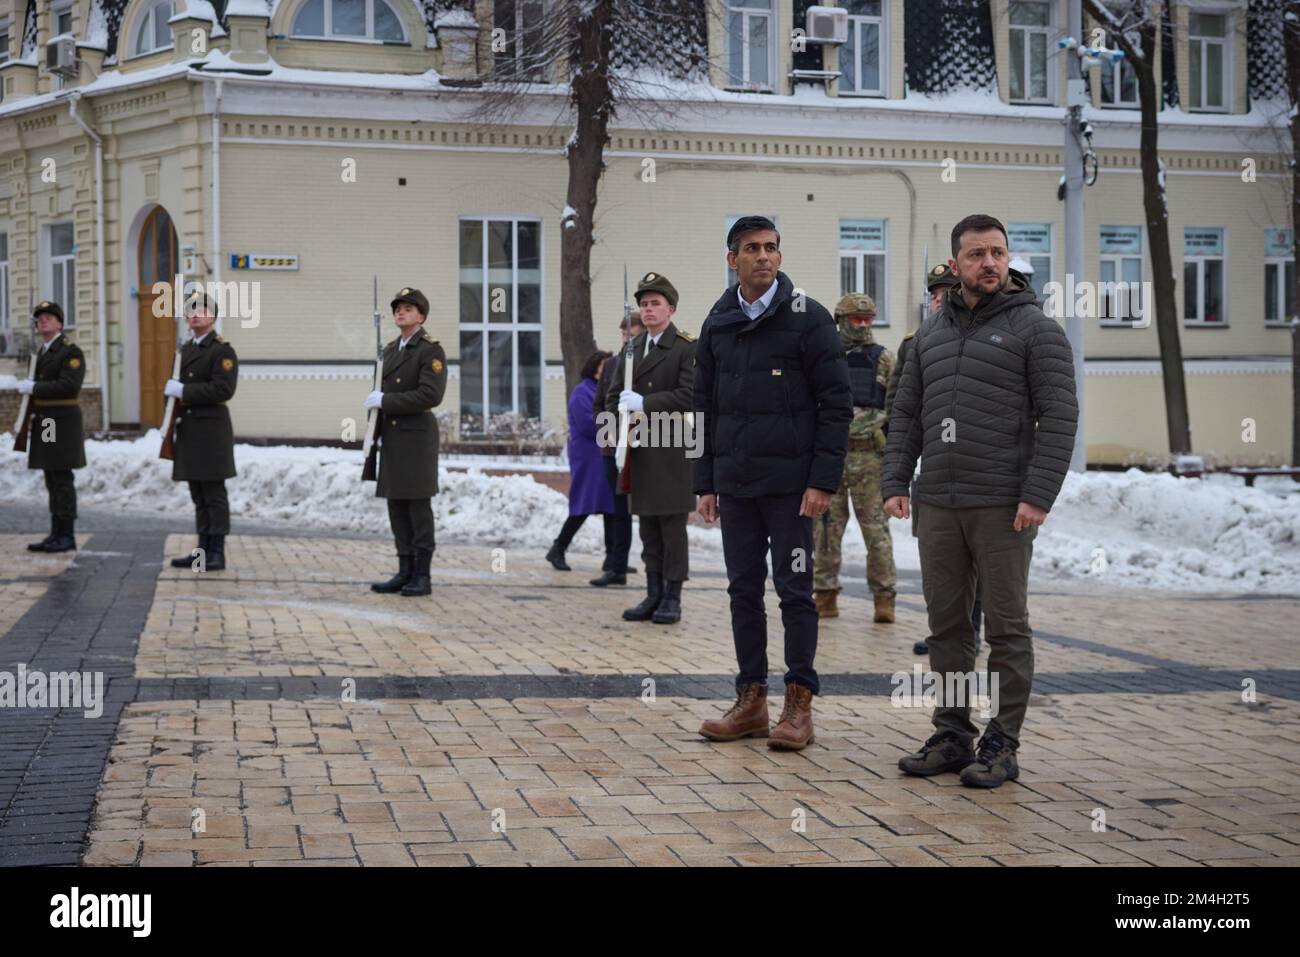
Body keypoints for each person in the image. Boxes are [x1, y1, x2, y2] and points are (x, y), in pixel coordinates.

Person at [883, 213, 1078, 789]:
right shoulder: (930, 334)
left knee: (1007, 629)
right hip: (939, 503)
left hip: (1002, 504)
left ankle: (1003, 743)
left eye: (997, 252)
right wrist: (896, 480)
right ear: (956, 263)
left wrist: (1037, 494)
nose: (988, 263)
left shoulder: (1036, 329)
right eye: (976, 254)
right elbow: (906, 413)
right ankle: (951, 733)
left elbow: (1060, 417)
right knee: (947, 628)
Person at [693, 216, 852, 751]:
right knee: (742, 591)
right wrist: (705, 482)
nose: (764, 256)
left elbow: (836, 405)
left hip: (792, 489)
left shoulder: (809, 320)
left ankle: (798, 704)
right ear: (731, 258)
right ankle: (751, 700)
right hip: (736, 485)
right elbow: (703, 409)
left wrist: (822, 480)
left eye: (772, 248)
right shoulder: (717, 323)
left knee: (794, 592)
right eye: (752, 248)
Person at [887, 263, 984, 656]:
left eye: (949, 290)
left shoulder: (981, 332)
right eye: (936, 293)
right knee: (939, 561)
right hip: (933, 463)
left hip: (977, 464)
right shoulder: (916, 342)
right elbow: (898, 402)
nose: (941, 298)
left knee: (973, 562)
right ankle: (942, 630)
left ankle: (972, 631)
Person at [604, 272, 696, 625]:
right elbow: (613, 397)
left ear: (670, 308)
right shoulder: (631, 350)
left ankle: (673, 596)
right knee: (648, 529)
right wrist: (619, 426)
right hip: (639, 449)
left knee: (672, 529)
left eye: (655, 303)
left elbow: (690, 396)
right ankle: (653, 593)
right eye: (644, 304)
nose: (648, 310)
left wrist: (646, 403)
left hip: (671, 449)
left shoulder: (686, 347)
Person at [812, 293, 897, 623]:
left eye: (867, 320)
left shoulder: (885, 359)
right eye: (855, 320)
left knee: (876, 532)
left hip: (869, 459)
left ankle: (884, 598)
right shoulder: (823, 358)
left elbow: (896, 408)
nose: (862, 326)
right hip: (830, 459)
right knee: (825, 531)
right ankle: (825, 595)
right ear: (840, 320)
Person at [367, 287, 448, 597]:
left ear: (421, 316)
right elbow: (378, 390)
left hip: (416, 438)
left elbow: (430, 395)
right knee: (396, 505)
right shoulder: (389, 350)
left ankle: (422, 574)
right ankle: (404, 570)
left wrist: (387, 400)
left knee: (417, 506)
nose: (401, 312)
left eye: (408, 308)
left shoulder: (430, 351)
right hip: (392, 436)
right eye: (398, 308)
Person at [166, 292, 238, 572]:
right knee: (198, 492)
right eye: (191, 310)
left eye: (202, 310)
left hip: (211, 431)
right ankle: (201, 552)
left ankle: (217, 552)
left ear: (213, 317)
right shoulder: (185, 351)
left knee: (214, 493)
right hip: (189, 429)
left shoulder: (222, 351)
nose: (196, 314)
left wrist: (184, 391)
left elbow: (224, 389)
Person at [15, 301, 85, 553]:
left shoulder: (70, 352)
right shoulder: (42, 353)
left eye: (48, 317)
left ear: (60, 324)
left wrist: (34, 388)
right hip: (46, 419)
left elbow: (69, 385)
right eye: (40, 318)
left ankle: (67, 534)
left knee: (62, 477)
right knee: (51, 476)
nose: (43, 321)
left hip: (60, 420)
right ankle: (55, 532)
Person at [589, 309, 644, 586]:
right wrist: (607, 433)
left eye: (631, 333)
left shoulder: (648, 361)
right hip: (613, 448)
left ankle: (653, 570)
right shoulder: (612, 365)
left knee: (645, 509)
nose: (627, 337)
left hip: (644, 444)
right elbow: (600, 402)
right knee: (618, 509)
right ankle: (616, 565)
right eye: (624, 333)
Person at [546, 350, 615, 570]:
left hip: (603, 453)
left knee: (610, 506)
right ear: (594, 368)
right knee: (584, 505)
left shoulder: (604, 391)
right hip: (588, 456)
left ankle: (613, 558)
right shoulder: (582, 392)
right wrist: (615, 425)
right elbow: (587, 424)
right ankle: (558, 548)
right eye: (604, 367)